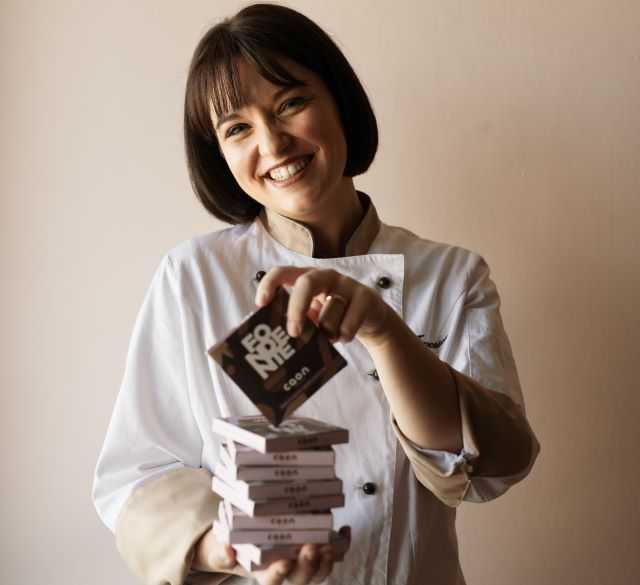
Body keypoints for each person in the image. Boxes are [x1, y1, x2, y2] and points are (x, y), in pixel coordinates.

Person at [92, 4, 540, 585]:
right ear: (219, 156)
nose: (272, 143)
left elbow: (493, 466)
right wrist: (224, 546)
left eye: (290, 103)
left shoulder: (452, 275)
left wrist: (384, 331)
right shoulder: (192, 276)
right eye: (237, 129)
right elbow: (135, 474)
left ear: (340, 103)